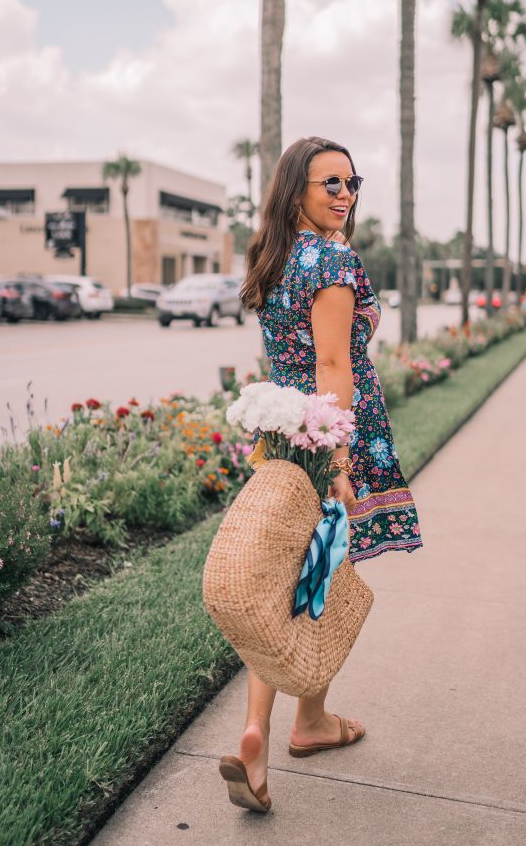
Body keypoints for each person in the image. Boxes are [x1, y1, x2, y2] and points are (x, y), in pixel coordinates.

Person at [220, 136, 423, 813]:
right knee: (318, 577)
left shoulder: (274, 256)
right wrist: (338, 461)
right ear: (295, 191)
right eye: (329, 183)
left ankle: (272, 726)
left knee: (289, 575)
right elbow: (334, 365)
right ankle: (304, 723)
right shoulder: (333, 260)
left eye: (351, 182)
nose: (344, 194)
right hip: (330, 437)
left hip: (283, 432)